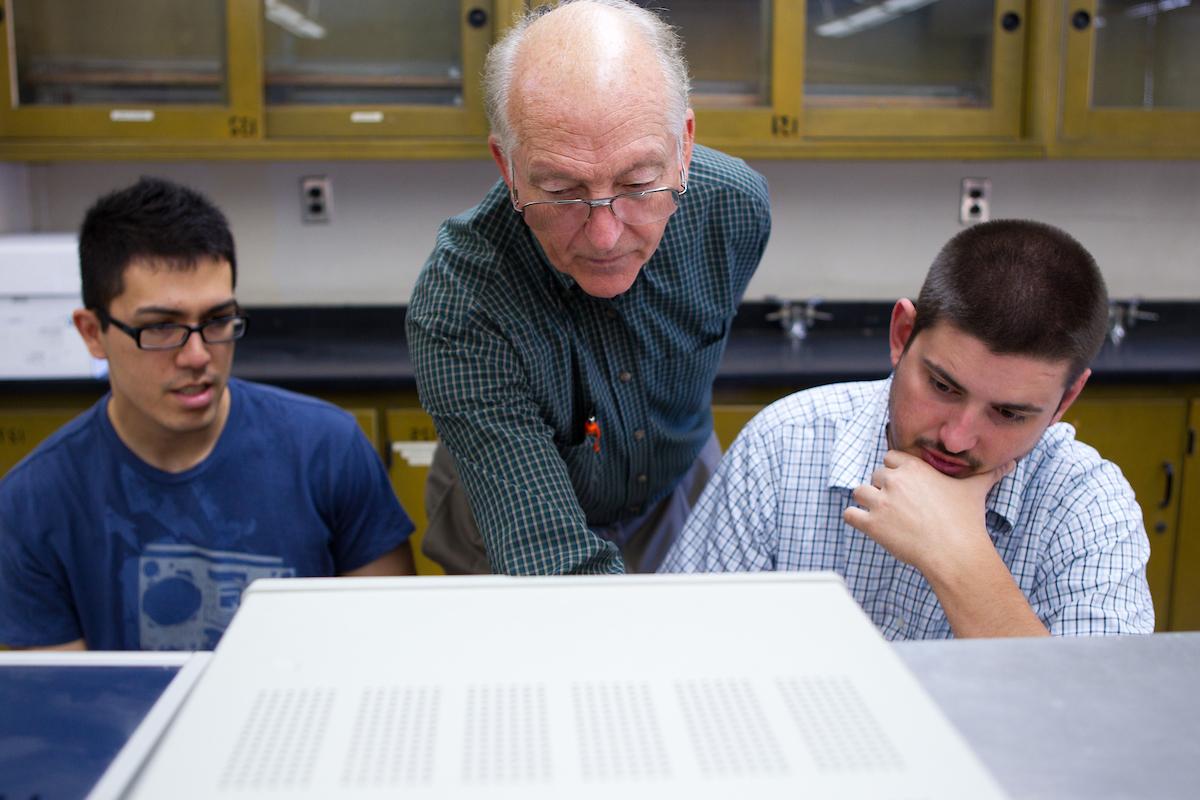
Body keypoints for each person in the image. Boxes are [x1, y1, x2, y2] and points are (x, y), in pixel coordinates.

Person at [407, 0, 771, 575]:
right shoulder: (462, 300)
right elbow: (552, 561)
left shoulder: (733, 209)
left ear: (685, 146)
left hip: (671, 481)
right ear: (508, 167)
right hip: (508, 505)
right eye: (560, 188)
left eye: (638, 183)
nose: (604, 237)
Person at [662, 219, 1155, 639]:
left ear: (1065, 400)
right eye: (943, 386)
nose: (956, 438)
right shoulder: (784, 443)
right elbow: (677, 645)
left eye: (1008, 414)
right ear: (901, 336)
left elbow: (1099, 724)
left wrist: (958, 557)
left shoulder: (1090, 508)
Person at [0, 177, 416, 651]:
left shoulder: (327, 451)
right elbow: (66, 708)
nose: (197, 355)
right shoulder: (34, 503)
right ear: (93, 332)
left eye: (217, 320)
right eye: (160, 328)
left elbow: (382, 654)